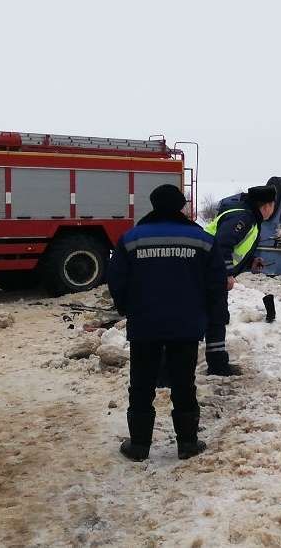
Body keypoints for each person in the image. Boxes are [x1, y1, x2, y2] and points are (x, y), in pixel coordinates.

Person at [107, 184, 227, 461]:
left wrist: (129, 308)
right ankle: (187, 444)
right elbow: (216, 284)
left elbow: (116, 280)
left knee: (141, 384)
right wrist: (207, 315)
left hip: (144, 326)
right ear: (180, 206)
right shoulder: (202, 239)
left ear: (153, 204)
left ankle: (139, 446)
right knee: (184, 383)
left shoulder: (131, 238)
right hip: (186, 326)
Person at [203, 185, 277, 376]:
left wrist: (251, 261)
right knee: (215, 318)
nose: (273, 209)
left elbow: (235, 248)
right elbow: (222, 244)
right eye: (273, 204)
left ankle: (216, 362)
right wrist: (227, 274)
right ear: (266, 206)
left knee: (216, 317)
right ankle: (217, 366)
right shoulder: (244, 217)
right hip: (207, 271)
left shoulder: (249, 217)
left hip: (208, 270)